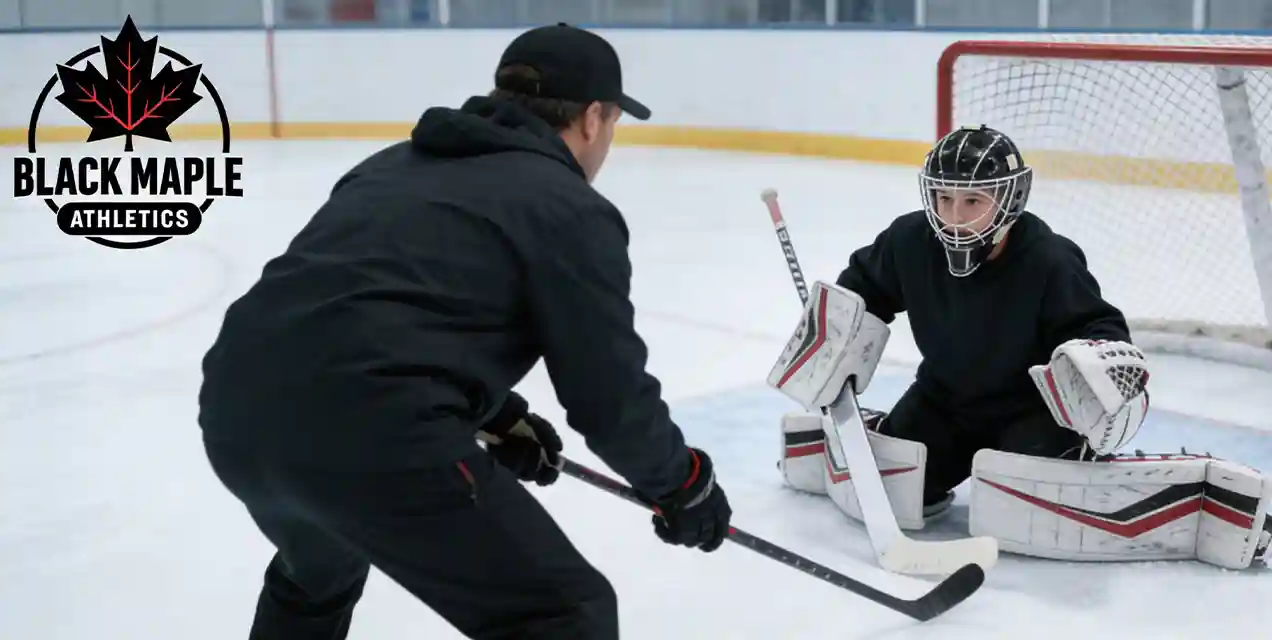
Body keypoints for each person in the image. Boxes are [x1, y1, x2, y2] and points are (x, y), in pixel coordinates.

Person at [196, 23, 731, 640]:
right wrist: (683, 484)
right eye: (612, 122)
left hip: (237, 411)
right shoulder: (568, 209)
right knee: (564, 616)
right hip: (372, 428)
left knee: (318, 569)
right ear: (591, 118)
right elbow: (608, 399)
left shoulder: (390, 167)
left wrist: (495, 414)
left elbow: (366, 314)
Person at [773, 124, 1150, 519]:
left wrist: (1101, 372)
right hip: (942, 403)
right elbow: (861, 292)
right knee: (896, 497)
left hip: (1029, 413)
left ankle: (1070, 459)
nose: (955, 216)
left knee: (1021, 512)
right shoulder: (909, 241)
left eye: (973, 200)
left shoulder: (1048, 260)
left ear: (1010, 197)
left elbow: (1098, 328)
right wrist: (830, 336)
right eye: (943, 198)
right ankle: (876, 433)